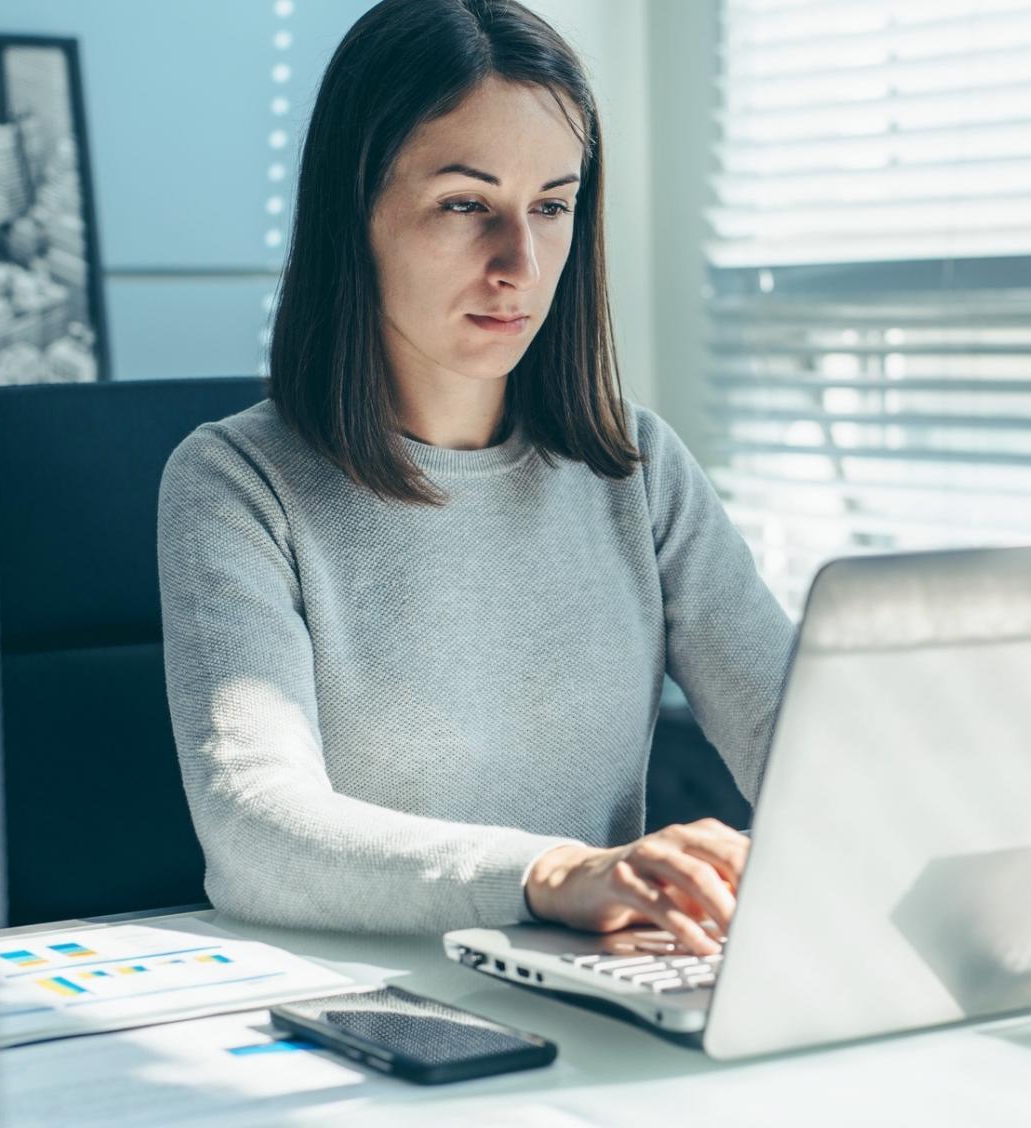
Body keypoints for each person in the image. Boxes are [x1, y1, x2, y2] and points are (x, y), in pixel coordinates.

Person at [157, 0, 793, 958]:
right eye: (465, 204)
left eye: (550, 205)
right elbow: (255, 830)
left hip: (597, 987)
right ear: (355, 212)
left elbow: (805, 749)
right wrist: (551, 876)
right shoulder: (237, 482)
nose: (520, 264)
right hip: (363, 1007)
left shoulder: (638, 468)